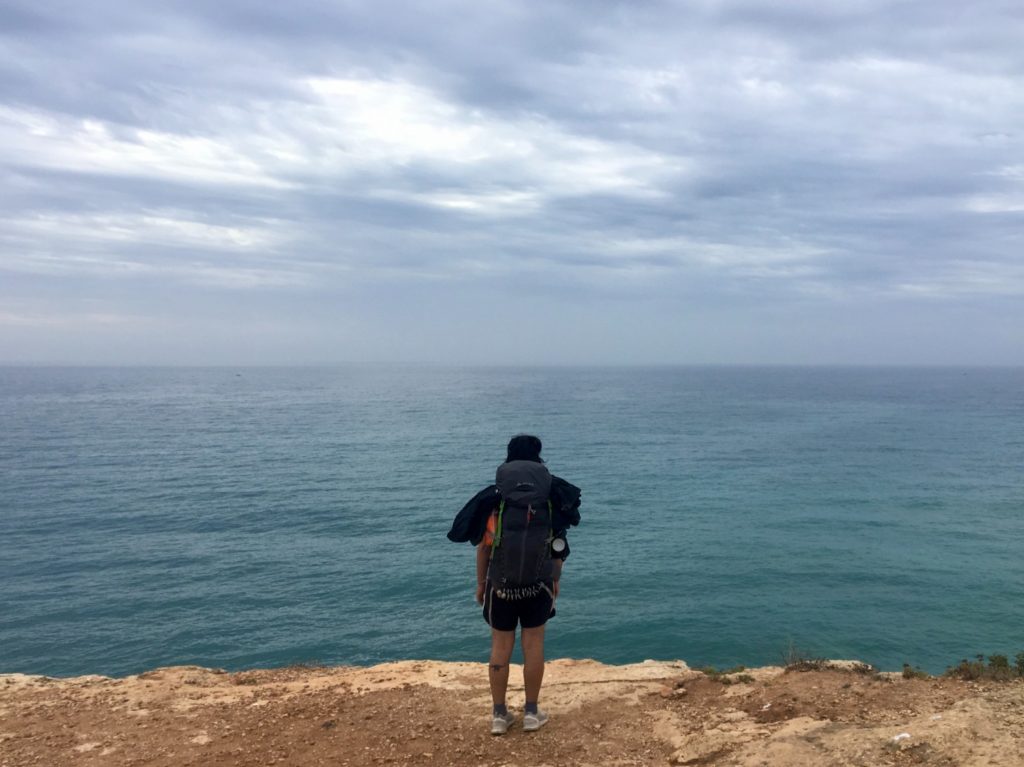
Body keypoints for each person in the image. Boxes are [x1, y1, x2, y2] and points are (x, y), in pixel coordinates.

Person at [474, 435, 575, 736]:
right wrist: (554, 581)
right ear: (538, 459)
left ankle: (498, 715)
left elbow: (483, 549)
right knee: (533, 647)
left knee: (500, 648)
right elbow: (558, 548)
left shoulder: (498, 504)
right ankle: (531, 713)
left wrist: (482, 585)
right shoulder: (548, 503)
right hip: (538, 586)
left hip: (501, 587)